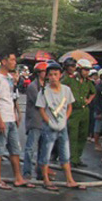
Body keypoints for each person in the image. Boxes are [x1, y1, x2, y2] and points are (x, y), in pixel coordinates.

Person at [36, 62, 85, 191]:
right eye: (50, 74)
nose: (53, 77)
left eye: (55, 74)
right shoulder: (44, 91)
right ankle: (45, 179)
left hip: (62, 126)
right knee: (46, 153)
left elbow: (69, 106)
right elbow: (41, 109)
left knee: (65, 153)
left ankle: (70, 179)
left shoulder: (66, 90)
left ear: (60, 75)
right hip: (49, 127)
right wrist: (48, 121)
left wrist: (65, 118)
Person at [0, 52, 34, 190]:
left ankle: (18, 177)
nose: (14, 62)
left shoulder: (9, 77)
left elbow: (11, 97)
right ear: (4, 61)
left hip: (11, 117)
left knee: (15, 149)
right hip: (1, 118)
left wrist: (16, 114)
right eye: (12, 60)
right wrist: (0, 120)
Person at [62, 58, 95, 166]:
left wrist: (88, 100)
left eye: (88, 70)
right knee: (73, 135)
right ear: (79, 69)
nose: (87, 72)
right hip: (73, 111)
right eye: (85, 70)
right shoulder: (70, 79)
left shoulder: (88, 82)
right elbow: (60, 88)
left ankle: (78, 157)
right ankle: (72, 159)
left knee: (83, 135)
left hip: (84, 110)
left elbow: (93, 92)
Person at [21, 62, 48, 181]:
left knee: (43, 149)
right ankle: (27, 172)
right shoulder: (33, 86)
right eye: (44, 72)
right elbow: (40, 102)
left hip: (45, 121)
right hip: (35, 121)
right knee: (30, 149)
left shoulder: (48, 86)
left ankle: (41, 172)